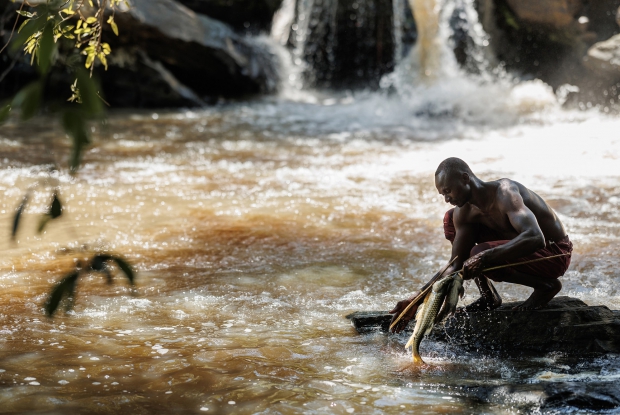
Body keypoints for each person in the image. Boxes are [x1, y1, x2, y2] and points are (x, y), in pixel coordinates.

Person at [389, 157, 573, 333]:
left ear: (465, 178)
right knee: (450, 220)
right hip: (524, 249)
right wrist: (416, 299)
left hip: (554, 254)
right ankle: (488, 297)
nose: (446, 199)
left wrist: (484, 257)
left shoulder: (505, 193)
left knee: (479, 252)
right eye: (442, 194)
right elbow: (455, 264)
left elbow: (535, 237)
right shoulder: (464, 213)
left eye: (448, 191)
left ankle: (546, 286)